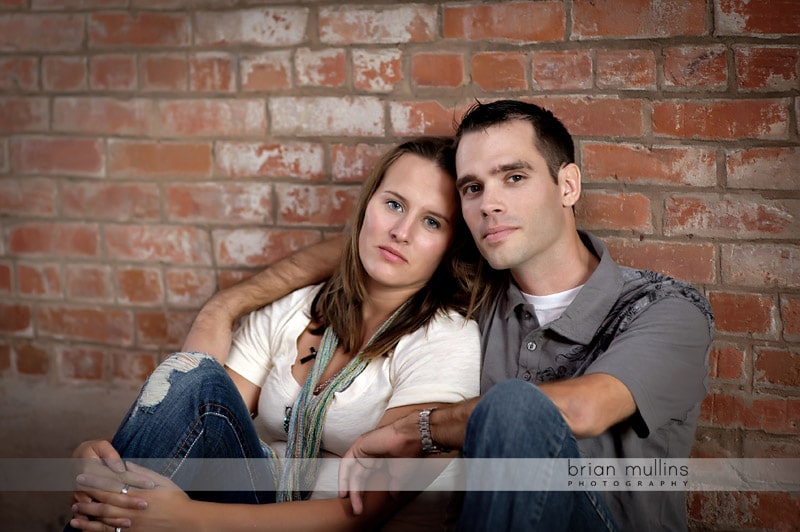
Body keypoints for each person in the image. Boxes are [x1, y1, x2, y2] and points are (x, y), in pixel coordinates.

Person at [176, 100, 715, 532]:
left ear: (567, 185)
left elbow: (583, 408)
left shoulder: (663, 307)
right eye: (472, 189)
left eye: (514, 177)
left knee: (513, 410)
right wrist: (229, 302)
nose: (489, 204)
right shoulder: (479, 293)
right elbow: (368, 255)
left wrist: (421, 428)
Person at [65, 137, 492, 531]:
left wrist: (185, 518)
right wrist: (98, 454)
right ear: (367, 207)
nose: (402, 231)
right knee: (196, 378)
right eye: (394, 204)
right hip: (247, 501)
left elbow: (364, 512)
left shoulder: (446, 340)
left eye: (432, 222)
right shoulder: (296, 308)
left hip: (323, 525)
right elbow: (197, 414)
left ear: (452, 245)